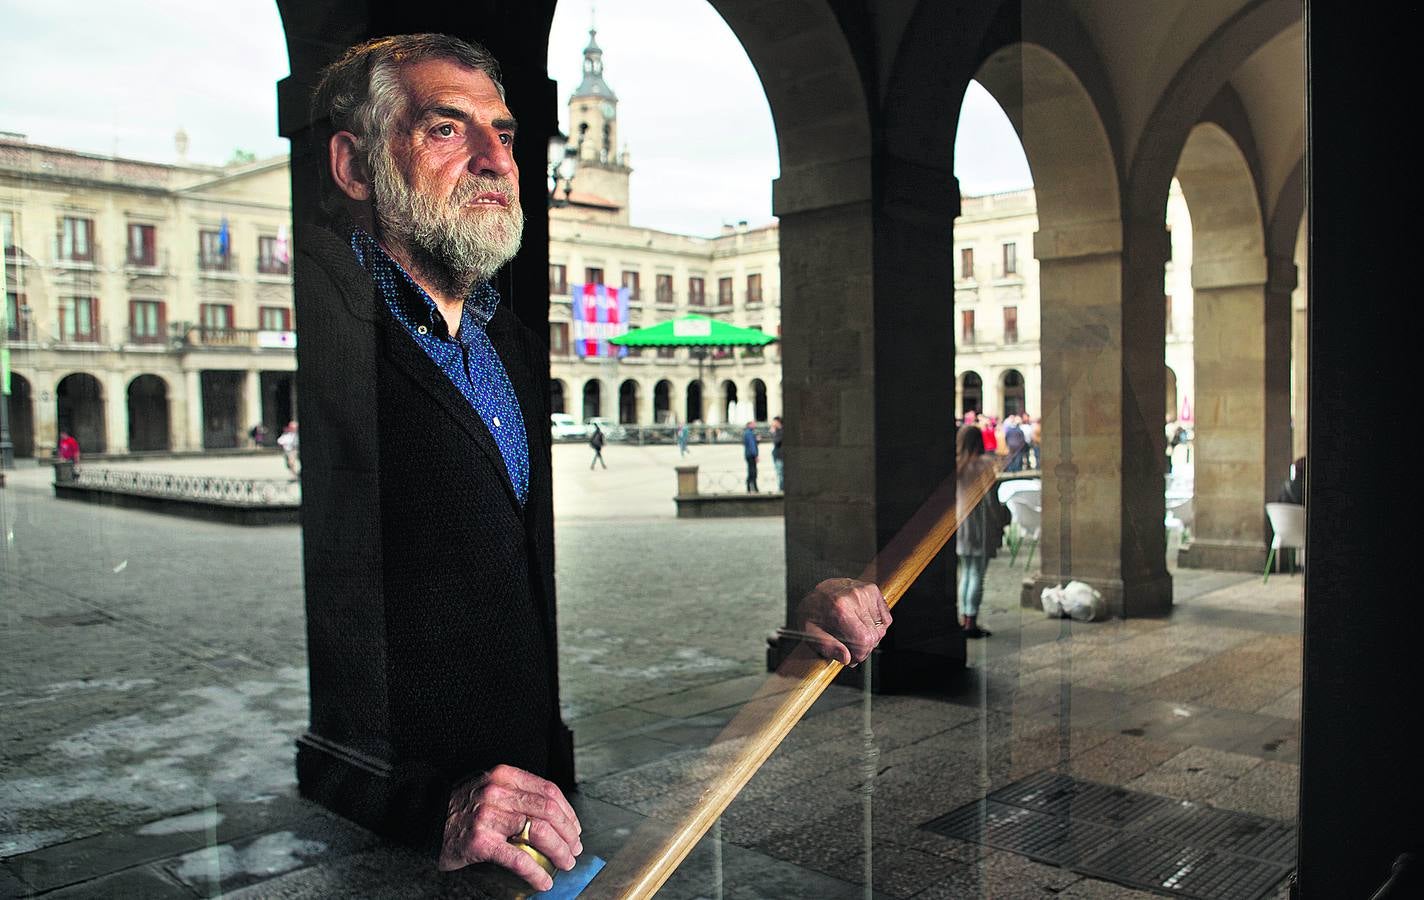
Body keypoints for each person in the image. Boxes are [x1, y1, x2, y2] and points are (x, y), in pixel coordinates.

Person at [308, 34, 888, 890]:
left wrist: (793, 636)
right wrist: (423, 808)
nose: (493, 159)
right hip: (412, 857)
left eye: (505, 135)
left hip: (529, 833)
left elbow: (496, 588)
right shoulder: (335, 345)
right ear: (355, 166)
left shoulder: (502, 344)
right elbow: (336, 640)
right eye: (444, 129)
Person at [956, 423, 1005, 638]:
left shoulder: (957, 466)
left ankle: (963, 618)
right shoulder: (983, 465)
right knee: (977, 574)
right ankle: (971, 622)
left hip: (961, 527)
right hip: (980, 526)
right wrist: (1001, 519)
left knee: (966, 573)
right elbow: (992, 502)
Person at [743, 420, 759, 492]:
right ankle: (752, 487)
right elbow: (752, 445)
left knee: (751, 470)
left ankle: (750, 487)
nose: (755, 425)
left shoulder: (748, 433)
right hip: (751, 455)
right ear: (749, 425)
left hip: (748, 454)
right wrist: (755, 455)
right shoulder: (749, 433)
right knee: (753, 471)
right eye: (753, 424)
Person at [770, 415, 784, 491]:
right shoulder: (779, 431)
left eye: (774, 421)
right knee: (780, 474)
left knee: (780, 474)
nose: (772, 423)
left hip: (780, 456)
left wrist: (773, 432)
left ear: (777, 422)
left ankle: (781, 490)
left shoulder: (781, 431)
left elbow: (776, 441)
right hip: (778, 455)